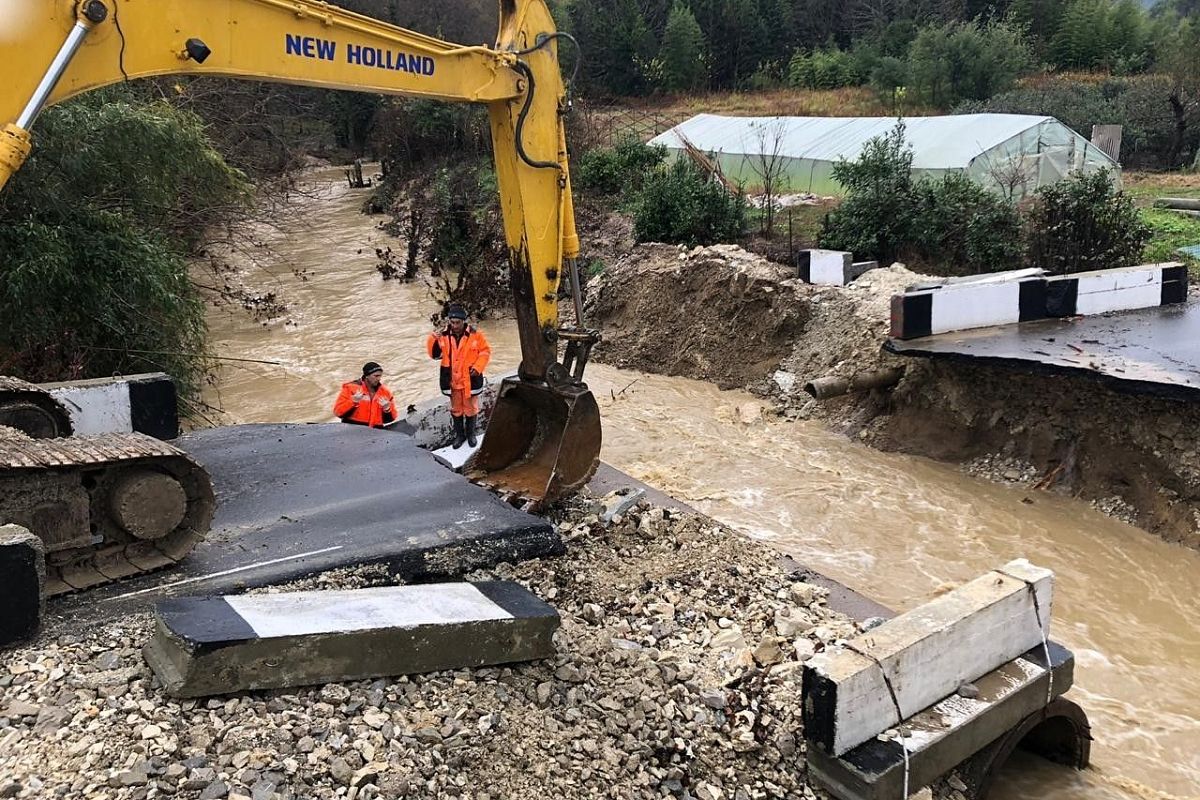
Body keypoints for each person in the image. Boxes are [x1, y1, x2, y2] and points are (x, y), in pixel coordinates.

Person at [427, 305, 491, 448]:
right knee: (456, 410)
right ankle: (460, 436)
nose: (455, 326)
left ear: (464, 321)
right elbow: (434, 355)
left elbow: (485, 352)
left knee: (471, 409)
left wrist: (478, 367)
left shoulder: (476, 335)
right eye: (452, 322)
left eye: (458, 322)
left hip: (470, 380)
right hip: (452, 381)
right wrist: (433, 339)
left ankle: (471, 435)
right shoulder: (442, 335)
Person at [333, 361, 398, 428]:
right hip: (352, 431)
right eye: (376, 376)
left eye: (380, 376)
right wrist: (353, 402)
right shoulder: (350, 388)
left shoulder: (385, 393)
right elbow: (338, 412)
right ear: (367, 375)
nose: (379, 379)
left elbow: (390, 419)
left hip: (375, 433)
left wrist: (387, 409)